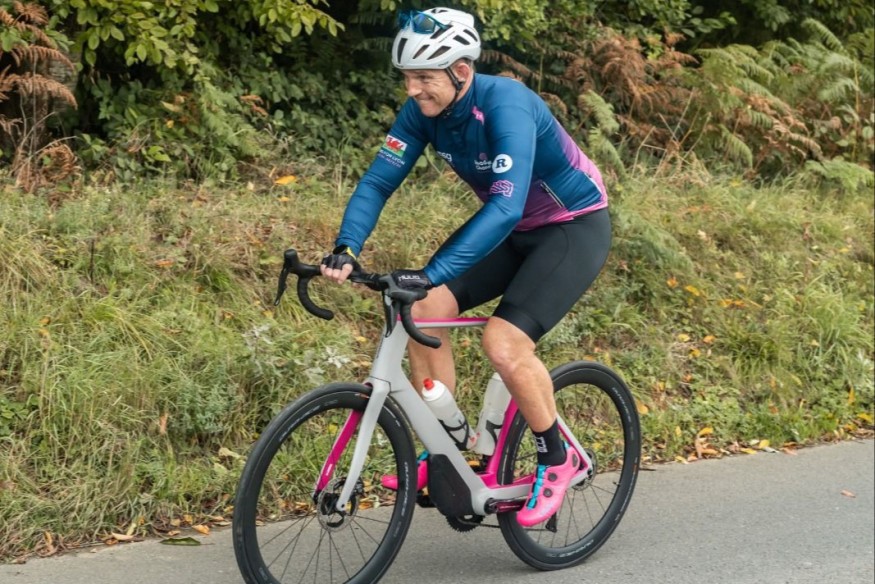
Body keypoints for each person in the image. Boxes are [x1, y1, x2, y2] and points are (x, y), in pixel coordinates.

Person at [319, 7, 611, 527]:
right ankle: (447, 453)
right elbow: (378, 182)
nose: (412, 90)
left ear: (461, 71)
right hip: (512, 229)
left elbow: (506, 206)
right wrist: (347, 247)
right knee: (422, 308)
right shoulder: (422, 113)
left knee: (504, 343)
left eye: (423, 77)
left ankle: (556, 458)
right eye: (407, 77)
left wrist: (432, 271)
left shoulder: (506, 105)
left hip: (570, 228)